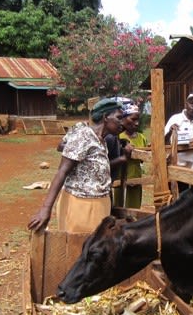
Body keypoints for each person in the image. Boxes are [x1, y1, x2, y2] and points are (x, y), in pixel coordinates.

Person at [28, 98, 125, 233]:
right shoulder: (83, 136)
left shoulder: (101, 141)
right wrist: (46, 209)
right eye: (119, 118)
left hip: (100, 205)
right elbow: (62, 172)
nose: (122, 122)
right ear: (105, 117)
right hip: (80, 206)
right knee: (78, 248)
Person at [113, 101, 147, 208]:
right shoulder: (117, 137)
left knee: (134, 208)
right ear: (123, 119)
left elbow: (142, 160)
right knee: (118, 206)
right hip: (120, 176)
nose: (136, 123)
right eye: (133, 119)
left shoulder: (142, 138)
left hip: (136, 176)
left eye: (138, 119)